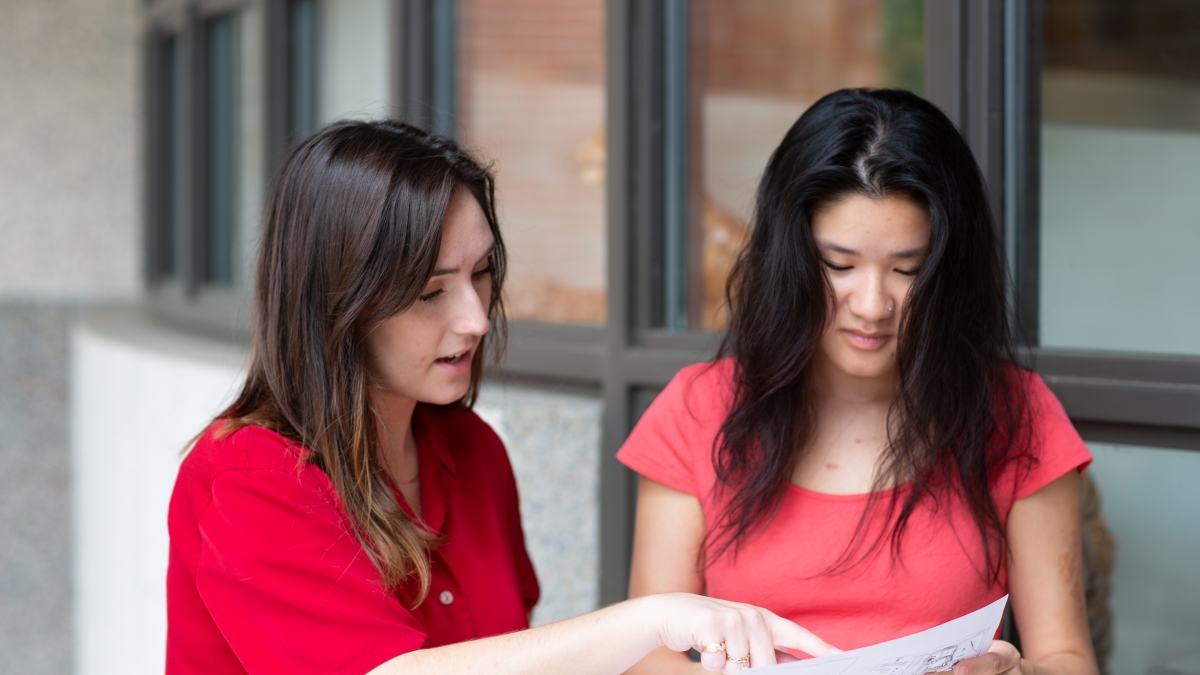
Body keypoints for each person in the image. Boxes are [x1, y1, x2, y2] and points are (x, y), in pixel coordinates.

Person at [165, 119, 835, 675]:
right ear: (338, 303)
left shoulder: (472, 450)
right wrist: (653, 617)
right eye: (431, 292)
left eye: (483, 274)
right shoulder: (248, 475)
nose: (476, 319)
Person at [618, 89, 1099, 675]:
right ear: (789, 257)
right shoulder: (699, 409)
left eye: (908, 271)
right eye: (839, 266)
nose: (873, 305)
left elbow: (1067, 657)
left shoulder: (1016, 412)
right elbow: (645, 655)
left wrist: (1016, 673)